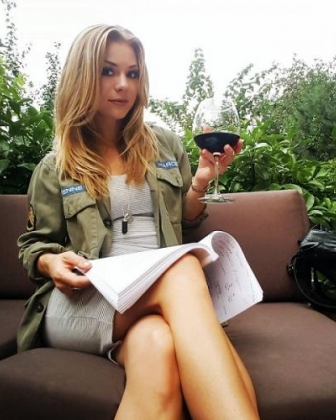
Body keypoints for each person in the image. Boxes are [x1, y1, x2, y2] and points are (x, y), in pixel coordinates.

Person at [17, 23, 259, 420]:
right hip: (86, 300)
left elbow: (187, 222)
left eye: (132, 73)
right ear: (82, 76)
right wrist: (50, 262)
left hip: (155, 302)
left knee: (156, 343)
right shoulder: (56, 166)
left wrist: (200, 183)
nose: (123, 85)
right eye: (108, 71)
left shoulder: (164, 145)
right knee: (183, 269)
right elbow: (33, 246)